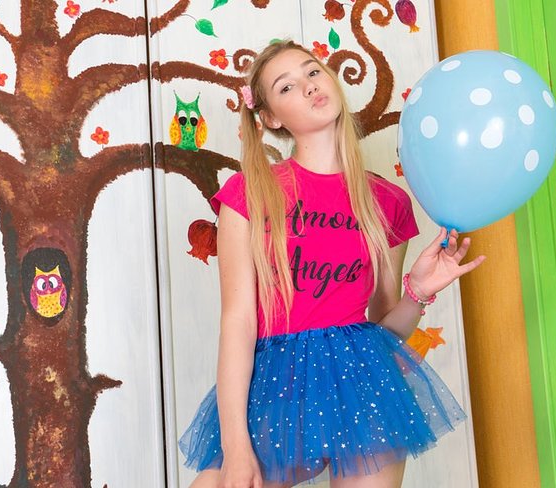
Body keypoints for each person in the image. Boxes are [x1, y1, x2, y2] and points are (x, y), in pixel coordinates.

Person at [179, 40, 486, 488]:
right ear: (271, 117)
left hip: (364, 387)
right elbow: (238, 321)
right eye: (286, 87)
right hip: (276, 388)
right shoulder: (249, 194)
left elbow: (385, 332)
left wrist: (419, 292)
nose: (308, 86)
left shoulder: (387, 201)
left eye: (312, 72)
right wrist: (237, 446)